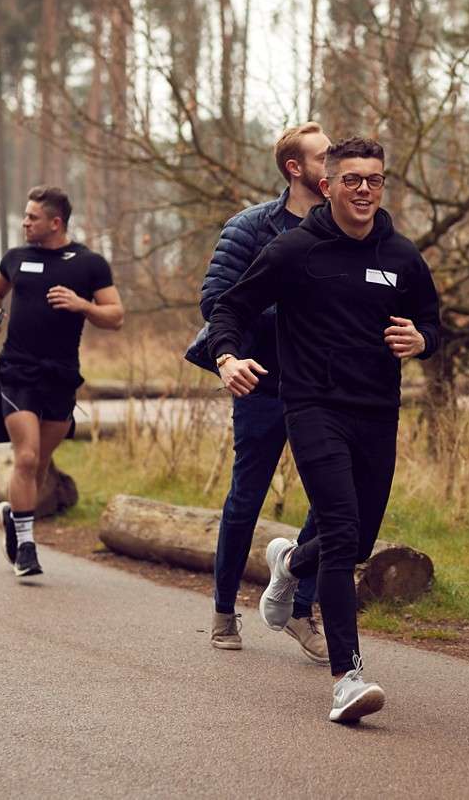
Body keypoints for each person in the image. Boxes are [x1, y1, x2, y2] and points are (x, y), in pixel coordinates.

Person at [208, 136, 441, 723]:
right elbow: (230, 308)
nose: (364, 189)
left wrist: (422, 341)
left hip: (377, 410)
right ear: (329, 185)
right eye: (352, 179)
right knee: (341, 533)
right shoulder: (295, 251)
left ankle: (288, 565)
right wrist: (228, 358)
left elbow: (434, 323)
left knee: (359, 540)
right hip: (312, 404)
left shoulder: (402, 256)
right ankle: (347, 678)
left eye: (375, 179)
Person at [184, 122, 333, 662]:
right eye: (324, 157)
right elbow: (217, 300)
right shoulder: (250, 228)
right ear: (296, 169)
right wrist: (245, 347)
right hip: (261, 380)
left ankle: (300, 602)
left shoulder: (344, 229)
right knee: (246, 496)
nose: (334, 165)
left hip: (323, 384)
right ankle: (224, 609)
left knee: (333, 499)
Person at [0, 185, 124, 577]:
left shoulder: (88, 264)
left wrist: (82, 305)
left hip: (61, 376)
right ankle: (26, 547)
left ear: (55, 222)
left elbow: (116, 316)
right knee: (25, 457)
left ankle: (14, 514)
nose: (25, 222)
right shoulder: (16, 258)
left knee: (40, 464)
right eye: (25, 216)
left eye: (32, 217)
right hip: (15, 371)